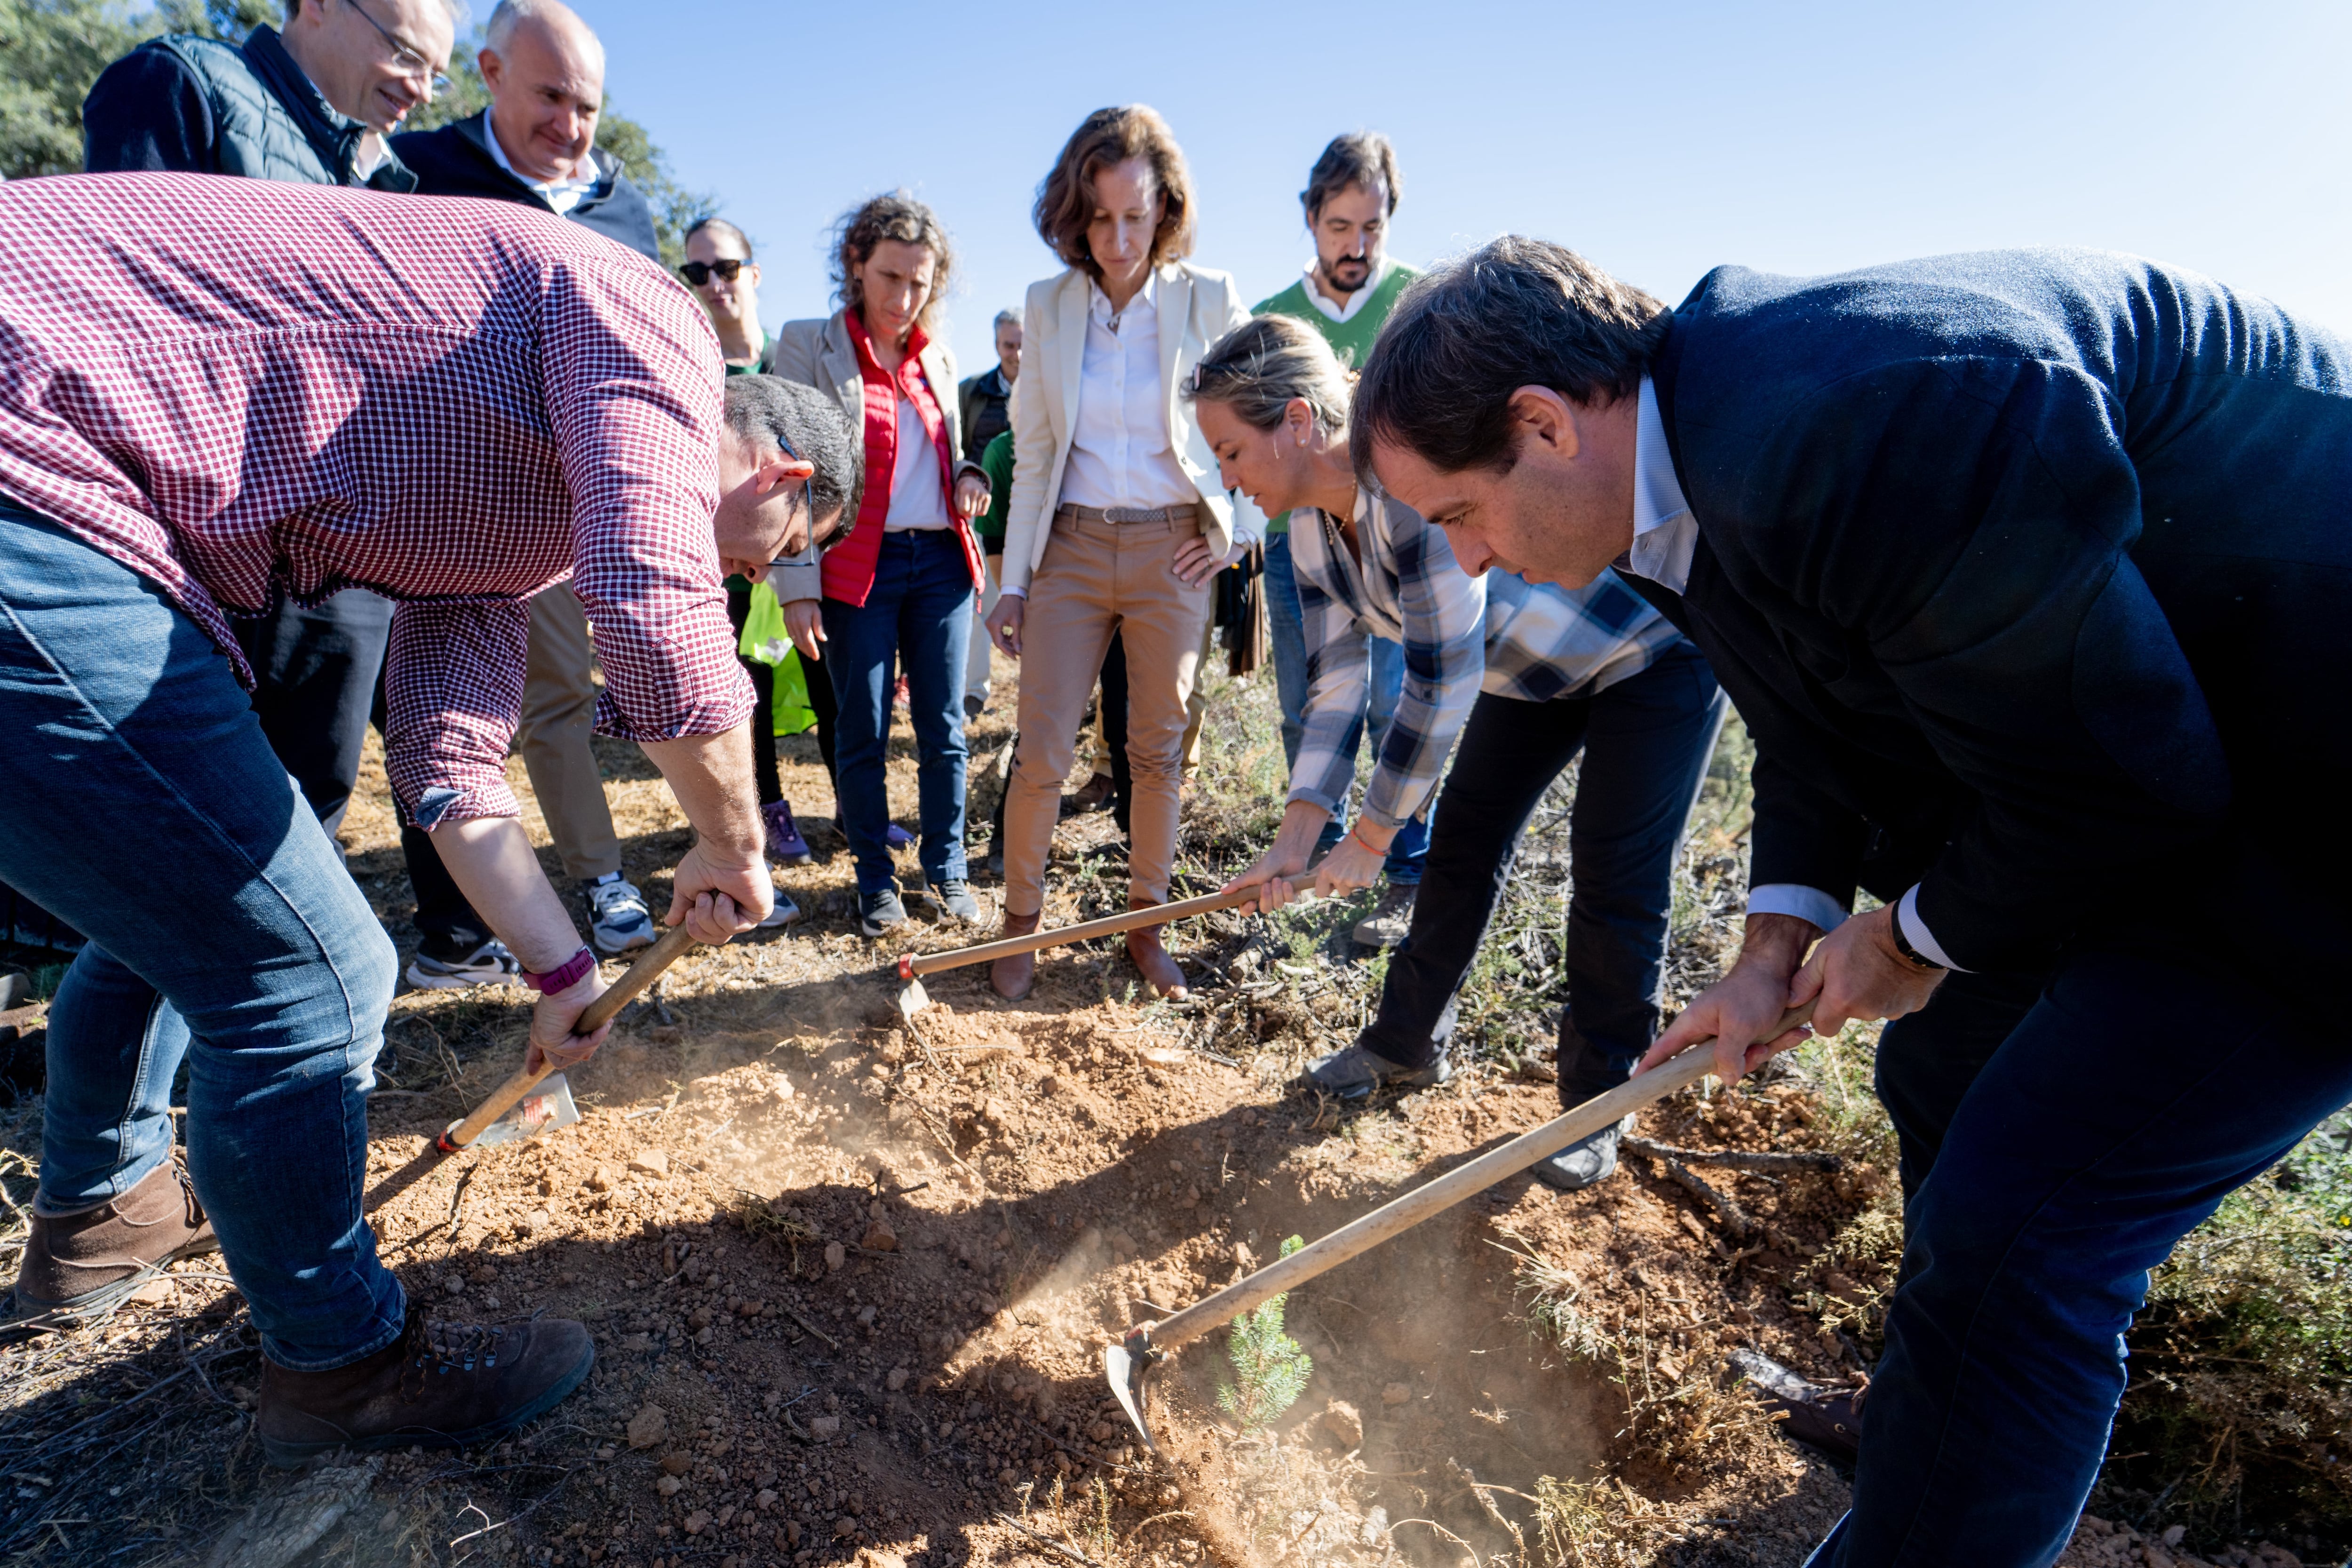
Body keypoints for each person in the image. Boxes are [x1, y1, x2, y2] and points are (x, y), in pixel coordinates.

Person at [1352, 236, 2352, 1565]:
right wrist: (1779, 938)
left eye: (1461, 515)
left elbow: (2129, 784)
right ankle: (1928, 1422)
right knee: (1944, 1067)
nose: (1467, 565)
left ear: (1543, 425)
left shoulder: (1857, 419)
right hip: (2171, 761)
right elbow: (1809, 715)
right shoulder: (1669, 481)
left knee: (2024, 1228)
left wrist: (1908, 936)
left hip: (2310, 814)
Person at [0, 173, 860, 1459]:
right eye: (760, 553)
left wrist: (564, 971)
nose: (741, 576)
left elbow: (454, 771)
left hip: (61, 484)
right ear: (782, 471)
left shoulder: (509, 523)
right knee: (308, 962)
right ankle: (343, 1364)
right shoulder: (651, 315)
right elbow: (653, 603)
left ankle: (102, 1214)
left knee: (200, 879)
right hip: (33, 447)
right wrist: (734, 838)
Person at [1197, 316, 1720, 1190]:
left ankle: (1596, 1104)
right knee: (1463, 846)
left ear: (1293, 422)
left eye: (1230, 452)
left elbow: (1439, 680)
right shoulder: (1311, 531)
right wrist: (1297, 838)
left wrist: (1368, 835)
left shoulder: (1404, 489)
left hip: (1645, 655)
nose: (1225, 478)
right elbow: (1335, 686)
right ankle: (1406, 1043)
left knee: (1614, 871)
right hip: (1534, 675)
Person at [73, 0, 451, 898]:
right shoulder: (185, 87)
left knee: (297, 815)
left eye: (437, 72)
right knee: (163, 835)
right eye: (405, 52)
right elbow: (120, 324)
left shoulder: (391, 179)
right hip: (197, 547)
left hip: (335, 559)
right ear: (317, 7)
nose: (421, 88)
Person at [391, 0, 672, 971]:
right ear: (491, 72)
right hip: (441, 499)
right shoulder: (417, 173)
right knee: (445, 716)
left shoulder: (622, 213)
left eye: (587, 104)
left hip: (584, 501)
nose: (570, 123)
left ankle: (596, 878)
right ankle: (458, 929)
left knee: (565, 698)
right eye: (550, 95)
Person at [985, 105, 1265, 1002]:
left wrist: (1234, 536)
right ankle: (1019, 923)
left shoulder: (1209, 298)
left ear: (1166, 209)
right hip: (1068, 546)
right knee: (1043, 752)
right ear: (1076, 214)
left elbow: (1266, 421)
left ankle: (1145, 929)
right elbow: (1032, 454)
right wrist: (1012, 581)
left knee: (1158, 749)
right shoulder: (1048, 306)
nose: (1117, 237)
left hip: (1171, 548)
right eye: (1099, 216)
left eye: (1135, 216)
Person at [768, 194, 992, 937]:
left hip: (939, 563)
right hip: (854, 564)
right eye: (890, 277)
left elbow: (942, 448)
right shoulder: (810, 343)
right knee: (859, 728)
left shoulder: (940, 356)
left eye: (920, 283)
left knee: (944, 728)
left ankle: (950, 870)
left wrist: (968, 474)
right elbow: (787, 473)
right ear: (856, 267)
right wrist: (796, 587)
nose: (905, 298)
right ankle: (874, 880)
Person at [1252, 132, 1426, 947]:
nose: (1355, 247)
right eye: (1338, 226)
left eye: (1372, 227)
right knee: (1309, 700)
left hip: (1399, 544)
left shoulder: (1421, 303)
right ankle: (1309, 859)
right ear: (1310, 219)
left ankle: (1406, 872)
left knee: (1401, 699)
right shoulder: (1273, 322)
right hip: (1299, 546)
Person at [678, 215, 821, 880]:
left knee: (828, 680)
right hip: (725, 576)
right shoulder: (688, 363)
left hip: (800, 560)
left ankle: (855, 804)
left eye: (726, 268)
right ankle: (768, 806)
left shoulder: (790, 359)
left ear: (753, 275)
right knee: (749, 689)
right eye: (697, 272)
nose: (714, 283)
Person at [961, 309, 1023, 717]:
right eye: (1009, 345)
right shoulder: (972, 392)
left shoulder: (1051, 389)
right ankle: (973, 691)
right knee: (981, 600)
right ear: (997, 345)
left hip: (1032, 515)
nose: (1017, 354)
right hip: (983, 514)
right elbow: (960, 448)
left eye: (1023, 345)